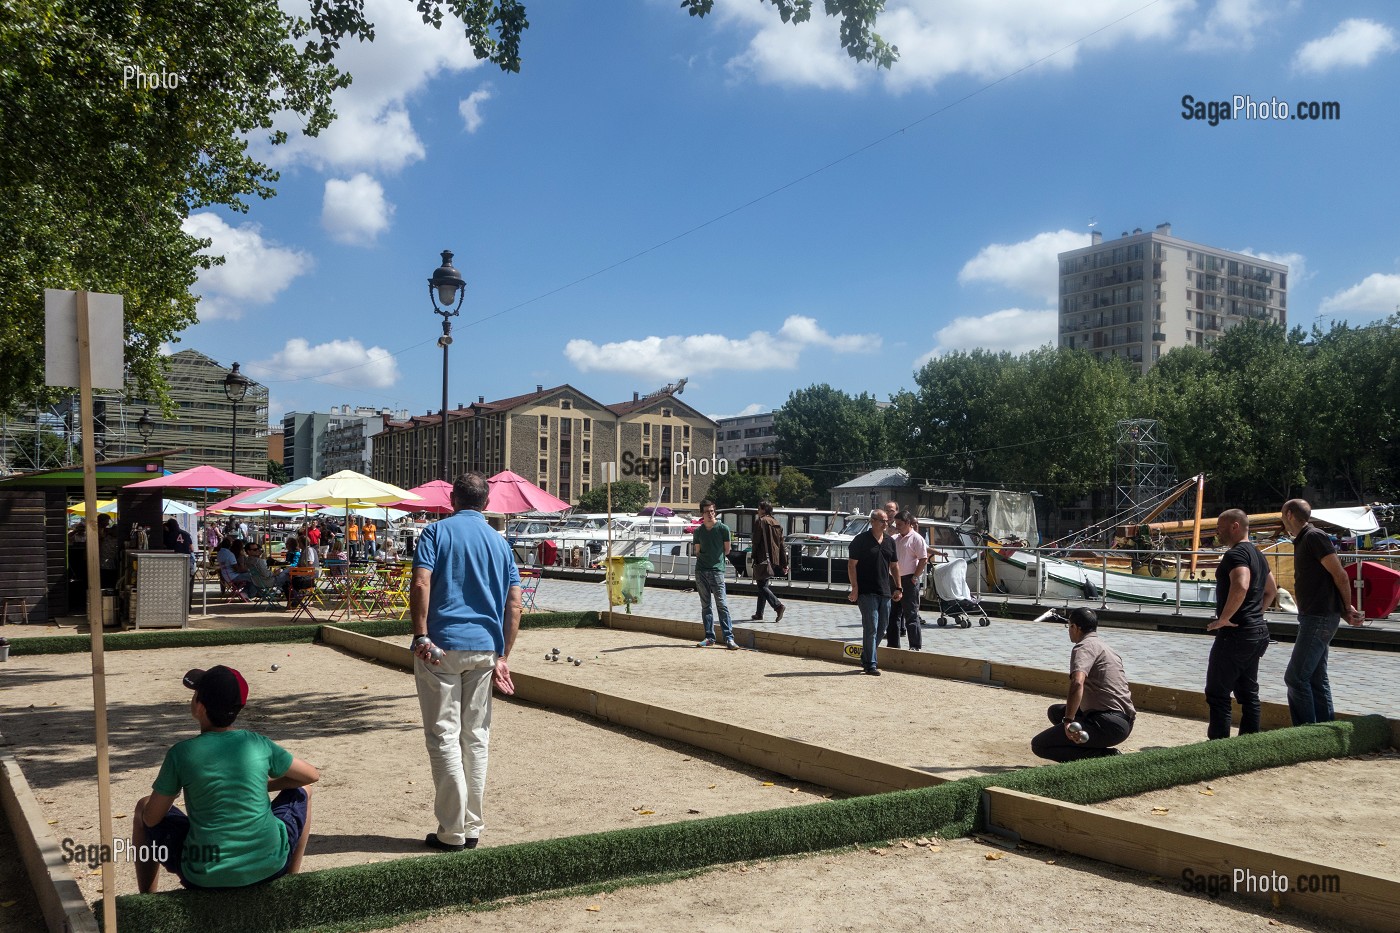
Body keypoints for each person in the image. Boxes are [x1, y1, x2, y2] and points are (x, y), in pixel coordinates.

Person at [132, 665, 319, 891]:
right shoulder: (257, 743)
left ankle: (147, 898)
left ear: (199, 706)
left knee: (143, 807)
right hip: (270, 867)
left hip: (203, 876)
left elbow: (152, 819)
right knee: (304, 789)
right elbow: (311, 775)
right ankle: (289, 881)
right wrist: (266, 784)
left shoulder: (181, 754)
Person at [411, 472, 521, 851]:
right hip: (485, 649)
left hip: (441, 646)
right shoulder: (501, 544)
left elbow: (422, 583)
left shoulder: (435, 533)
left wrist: (421, 632)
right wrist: (504, 653)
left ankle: (452, 830)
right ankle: (471, 826)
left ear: (452, 499)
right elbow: (515, 604)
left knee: (443, 735)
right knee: (475, 736)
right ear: (486, 504)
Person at [1281, 498, 1365, 725]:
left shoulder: (1313, 537)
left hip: (1318, 617)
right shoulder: (1305, 539)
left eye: (1282, 514)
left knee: (1296, 678)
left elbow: (1341, 575)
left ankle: (1305, 733)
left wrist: (1346, 608)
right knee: (1317, 678)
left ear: (1289, 514)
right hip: (1317, 615)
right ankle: (1324, 730)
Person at [1204, 509, 1278, 739]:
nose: (1217, 531)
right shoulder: (1258, 554)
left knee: (1218, 693)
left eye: (1220, 526)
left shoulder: (1236, 554)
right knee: (1248, 693)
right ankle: (1249, 744)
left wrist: (1224, 618)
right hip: (1256, 631)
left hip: (1235, 634)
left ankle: (1219, 747)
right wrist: (1255, 613)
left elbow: (1242, 584)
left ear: (1235, 526)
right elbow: (1271, 590)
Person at [1031, 608, 1136, 761]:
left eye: (1069, 626)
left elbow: (1077, 682)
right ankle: (1090, 744)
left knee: (1040, 745)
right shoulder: (1106, 648)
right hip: (1123, 721)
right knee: (1056, 712)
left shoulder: (1083, 647)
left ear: (1076, 627)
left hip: (1107, 724)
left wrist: (1068, 721)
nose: (1069, 631)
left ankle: (1103, 756)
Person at [847, 509, 901, 676]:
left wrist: (898, 587)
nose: (886, 524)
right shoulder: (860, 540)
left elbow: (894, 566)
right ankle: (871, 664)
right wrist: (855, 587)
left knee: (882, 627)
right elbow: (851, 565)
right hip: (866, 591)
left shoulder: (890, 542)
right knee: (871, 626)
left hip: (885, 591)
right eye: (882, 521)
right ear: (873, 521)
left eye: (887, 521)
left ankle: (866, 655)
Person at [691, 499, 737, 649]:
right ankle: (709, 637)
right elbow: (697, 552)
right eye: (707, 511)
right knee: (706, 606)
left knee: (722, 604)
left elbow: (727, 550)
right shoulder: (698, 531)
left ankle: (729, 637)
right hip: (701, 571)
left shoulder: (723, 529)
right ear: (702, 514)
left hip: (717, 571)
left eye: (712, 511)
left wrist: (715, 560)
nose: (710, 514)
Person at [887, 511, 929, 650]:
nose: (897, 527)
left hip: (909, 579)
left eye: (899, 524)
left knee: (911, 613)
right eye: (896, 524)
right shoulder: (894, 538)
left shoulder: (917, 539)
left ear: (908, 523)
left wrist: (915, 577)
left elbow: (923, 559)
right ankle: (892, 645)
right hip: (894, 579)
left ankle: (915, 646)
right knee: (893, 614)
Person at [749, 500, 786, 622]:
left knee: (761, 585)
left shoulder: (761, 521)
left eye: (759, 509)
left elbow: (756, 541)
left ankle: (778, 606)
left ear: (764, 510)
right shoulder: (777, 523)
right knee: (763, 585)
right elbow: (782, 545)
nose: (758, 511)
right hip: (773, 559)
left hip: (762, 558)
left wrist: (753, 556)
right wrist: (784, 563)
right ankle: (759, 613)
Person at [163, 518, 196, 607]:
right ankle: (188, 606)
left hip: (173, 563)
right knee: (188, 586)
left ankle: (176, 605)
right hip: (187, 562)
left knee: (175, 586)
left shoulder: (167, 535)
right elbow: (192, 549)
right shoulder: (186, 534)